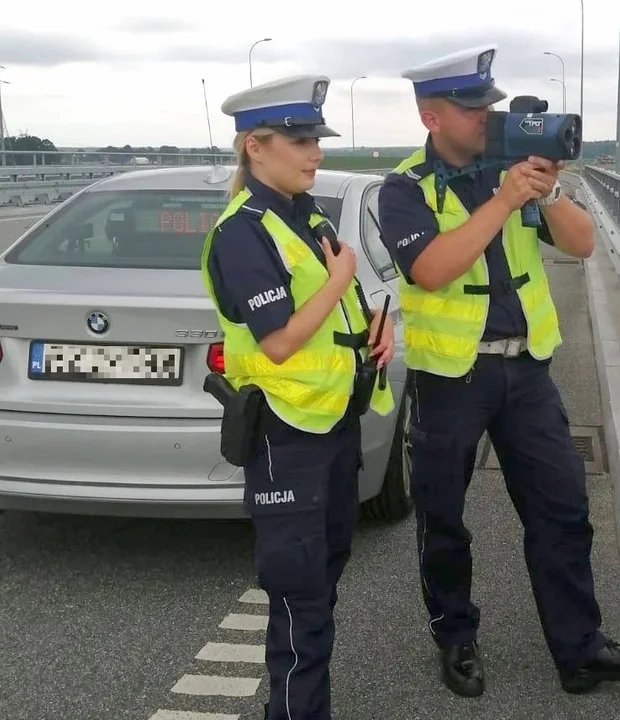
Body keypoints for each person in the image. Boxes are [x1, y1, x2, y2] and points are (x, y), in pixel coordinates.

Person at [377, 45, 620, 698]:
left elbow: (582, 245)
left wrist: (548, 189)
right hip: (450, 379)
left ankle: (579, 650)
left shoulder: (508, 172)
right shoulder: (404, 190)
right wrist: (503, 202)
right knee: (442, 518)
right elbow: (432, 269)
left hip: (525, 374)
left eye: (490, 104)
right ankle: (455, 637)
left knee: (562, 511)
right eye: (471, 106)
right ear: (431, 117)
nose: (487, 116)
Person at [198, 74, 395, 720]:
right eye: (300, 139)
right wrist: (341, 275)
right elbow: (279, 341)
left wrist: (370, 325)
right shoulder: (243, 231)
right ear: (256, 146)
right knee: (298, 601)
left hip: (330, 425)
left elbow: (329, 310)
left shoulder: (303, 214)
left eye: (316, 138)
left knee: (321, 584)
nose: (314, 152)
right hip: (286, 436)